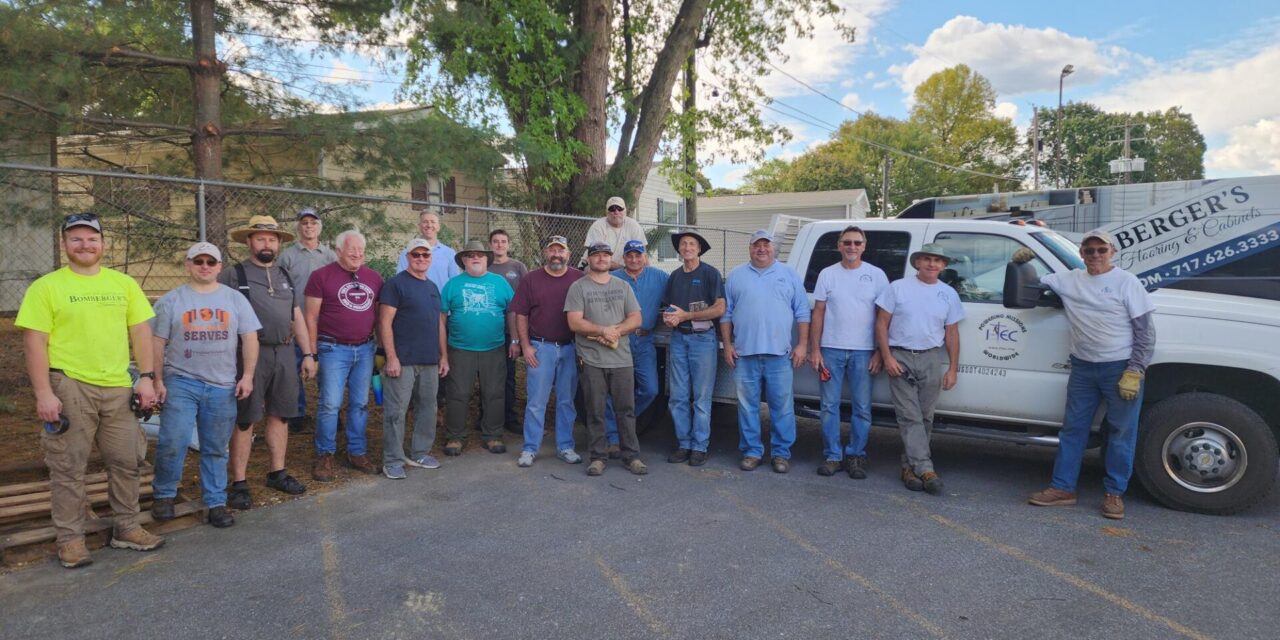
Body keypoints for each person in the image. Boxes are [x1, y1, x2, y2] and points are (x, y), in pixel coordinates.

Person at [17, 212, 164, 568]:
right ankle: (71, 540)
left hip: (117, 385)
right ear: (65, 244)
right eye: (76, 239)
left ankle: (126, 527)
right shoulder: (47, 287)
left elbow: (141, 333)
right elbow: (35, 342)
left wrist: (146, 377)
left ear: (103, 243)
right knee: (68, 466)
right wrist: (43, 393)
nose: (85, 245)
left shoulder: (123, 284)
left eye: (92, 238)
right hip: (69, 384)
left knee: (127, 460)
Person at [1026, 230, 1155, 520]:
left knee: (1121, 433)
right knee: (1073, 430)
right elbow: (1032, 282)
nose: (1095, 255)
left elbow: (1145, 333)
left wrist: (1136, 369)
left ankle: (1114, 494)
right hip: (1082, 368)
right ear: (1081, 253)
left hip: (1119, 368)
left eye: (1101, 250)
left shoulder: (1127, 283)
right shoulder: (1069, 278)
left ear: (1113, 252)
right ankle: (1062, 488)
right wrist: (1020, 260)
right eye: (1089, 250)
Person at [150, 242, 261, 528]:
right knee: (173, 440)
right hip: (181, 381)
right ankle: (164, 494)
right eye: (198, 261)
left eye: (210, 262)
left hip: (222, 385)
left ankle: (215, 502)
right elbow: (157, 342)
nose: (204, 267)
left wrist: (247, 376)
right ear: (188, 265)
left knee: (215, 447)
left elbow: (249, 338)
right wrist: (157, 379)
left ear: (219, 267)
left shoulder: (235, 300)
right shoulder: (171, 301)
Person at [220, 215, 316, 510]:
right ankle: (239, 482)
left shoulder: (284, 275)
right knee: (246, 418)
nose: (266, 244)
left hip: (285, 353)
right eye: (260, 238)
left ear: (278, 244)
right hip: (250, 355)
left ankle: (277, 472)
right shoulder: (233, 275)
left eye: (272, 239)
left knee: (281, 414)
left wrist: (308, 353)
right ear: (249, 241)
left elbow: (295, 315)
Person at [875, 242, 964, 496]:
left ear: (944, 265)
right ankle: (926, 469)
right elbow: (881, 325)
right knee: (909, 416)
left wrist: (953, 368)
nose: (932, 264)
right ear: (917, 262)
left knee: (925, 417)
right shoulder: (897, 288)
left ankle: (909, 468)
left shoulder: (948, 294)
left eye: (937, 260)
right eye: (926, 259)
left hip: (930, 358)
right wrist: (887, 357)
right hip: (900, 356)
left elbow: (952, 334)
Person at [720, 230, 810, 474]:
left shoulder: (789, 275)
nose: (761, 249)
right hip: (744, 354)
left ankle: (781, 454)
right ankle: (751, 451)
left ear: (773, 248)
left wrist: (802, 344)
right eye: (756, 245)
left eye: (766, 245)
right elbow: (726, 315)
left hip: (779, 355)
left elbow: (802, 312)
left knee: (781, 406)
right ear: (750, 248)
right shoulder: (736, 276)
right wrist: (727, 345)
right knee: (747, 406)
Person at [808, 225, 889, 479]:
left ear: (864, 246)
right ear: (839, 246)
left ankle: (856, 455)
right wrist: (815, 349)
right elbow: (818, 312)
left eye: (857, 243)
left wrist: (879, 352)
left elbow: (884, 316)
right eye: (847, 242)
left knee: (862, 407)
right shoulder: (827, 274)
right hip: (830, 350)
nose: (852, 247)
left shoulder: (877, 275)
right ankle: (833, 455)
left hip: (864, 351)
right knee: (829, 406)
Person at [305, 229, 383, 480]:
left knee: (360, 403)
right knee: (330, 404)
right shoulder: (320, 277)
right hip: (332, 348)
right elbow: (311, 317)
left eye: (361, 251)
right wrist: (312, 353)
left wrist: (380, 347)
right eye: (352, 251)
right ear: (338, 251)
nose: (358, 255)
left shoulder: (373, 278)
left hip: (365, 348)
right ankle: (324, 455)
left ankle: (356, 452)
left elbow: (380, 316)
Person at [565, 243, 648, 476]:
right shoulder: (578, 287)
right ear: (589, 259)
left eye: (605, 255)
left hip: (622, 359)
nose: (601, 259)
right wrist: (603, 331)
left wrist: (615, 332)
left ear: (611, 259)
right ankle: (598, 457)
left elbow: (636, 318)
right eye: (596, 255)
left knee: (626, 410)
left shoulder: (622, 286)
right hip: (591, 359)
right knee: (596, 410)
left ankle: (631, 456)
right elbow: (574, 322)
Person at [510, 236, 585, 467]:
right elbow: (520, 313)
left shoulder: (578, 278)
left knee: (566, 401)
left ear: (568, 255)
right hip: (541, 348)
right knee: (536, 402)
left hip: (570, 348)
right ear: (545, 253)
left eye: (560, 251)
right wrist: (525, 346)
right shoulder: (531, 279)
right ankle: (530, 448)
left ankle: (565, 446)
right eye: (552, 250)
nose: (556, 255)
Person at [377, 239, 449, 480]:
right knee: (396, 411)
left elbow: (438, 324)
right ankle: (393, 459)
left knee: (428, 407)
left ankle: (420, 452)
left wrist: (443, 356)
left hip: (429, 359)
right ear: (408, 257)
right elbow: (384, 322)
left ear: (431, 258)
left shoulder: (432, 287)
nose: (420, 259)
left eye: (425, 255)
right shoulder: (395, 285)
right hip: (403, 360)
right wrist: (391, 357)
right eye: (416, 255)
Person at [440, 240, 515, 456]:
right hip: (460, 348)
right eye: (470, 255)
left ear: (486, 259)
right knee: (458, 393)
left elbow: (512, 313)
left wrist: (516, 341)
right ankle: (455, 436)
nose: (475, 258)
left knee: (494, 393)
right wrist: (443, 353)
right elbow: (441, 318)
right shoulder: (452, 284)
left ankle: (492, 435)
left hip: (494, 348)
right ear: (463, 260)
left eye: (480, 255)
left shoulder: (500, 283)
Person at [661, 231, 724, 466]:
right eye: (683, 244)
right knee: (677, 397)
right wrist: (670, 318)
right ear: (679, 250)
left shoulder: (709, 273)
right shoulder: (675, 277)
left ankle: (700, 446)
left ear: (699, 249)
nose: (687, 247)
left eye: (692, 244)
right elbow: (669, 308)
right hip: (679, 339)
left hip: (702, 340)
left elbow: (719, 308)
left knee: (701, 397)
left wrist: (687, 315)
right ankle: (684, 443)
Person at [604, 240, 668, 457]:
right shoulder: (614, 279)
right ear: (624, 258)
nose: (634, 259)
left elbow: (676, 293)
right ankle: (613, 437)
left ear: (645, 257)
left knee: (651, 389)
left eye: (638, 255)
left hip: (645, 342)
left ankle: (624, 418)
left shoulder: (659, 277)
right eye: (629, 255)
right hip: (620, 341)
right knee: (614, 390)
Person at [278, 207, 336, 434]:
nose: (309, 226)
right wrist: (288, 320)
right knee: (294, 370)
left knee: (327, 371)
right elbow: (282, 290)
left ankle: (329, 411)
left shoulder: (330, 256)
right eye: (304, 223)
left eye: (313, 223)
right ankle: (297, 412)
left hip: (326, 324)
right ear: (299, 227)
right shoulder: (288, 256)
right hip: (297, 322)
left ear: (319, 227)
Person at [487, 228, 528, 432]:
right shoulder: (484, 266)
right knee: (486, 377)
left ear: (508, 245)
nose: (499, 245)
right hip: (487, 332)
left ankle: (509, 417)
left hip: (509, 331)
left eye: (503, 241)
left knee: (508, 376)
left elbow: (525, 299)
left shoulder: (518, 267)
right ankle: (486, 417)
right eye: (495, 241)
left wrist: (517, 338)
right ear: (490, 245)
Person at [396, 210, 460, 290]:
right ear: (419, 226)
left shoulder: (450, 253)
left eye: (433, 222)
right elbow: (401, 280)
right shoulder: (407, 253)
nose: (429, 225)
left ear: (438, 227)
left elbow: (454, 282)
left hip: (441, 301)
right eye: (425, 222)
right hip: (415, 300)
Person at [582, 196, 646, 270]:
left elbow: (643, 254)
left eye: (619, 209)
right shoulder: (598, 226)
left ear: (625, 210)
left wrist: (647, 273)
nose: (616, 212)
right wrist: (624, 269)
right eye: (612, 209)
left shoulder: (634, 225)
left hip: (625, 269)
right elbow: (599, 258)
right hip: (598, 266)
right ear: (607, 212)